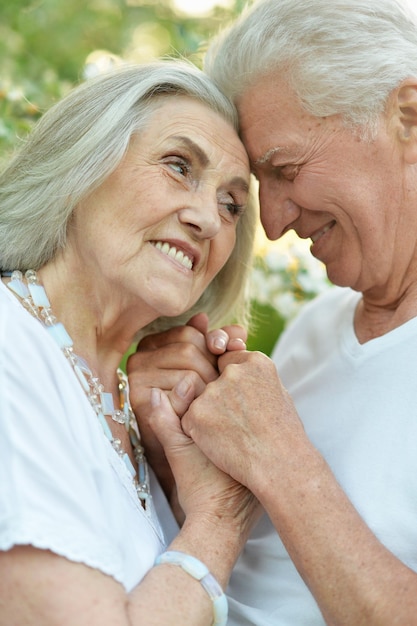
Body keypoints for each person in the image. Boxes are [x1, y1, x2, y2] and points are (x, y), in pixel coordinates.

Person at [127, 1, 417, 624]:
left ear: (409, 117)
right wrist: (169, 455)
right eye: (261, 187)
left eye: (286, 170)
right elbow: (256, 570)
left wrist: (278, 456)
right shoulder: (318, 328)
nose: (278, 222)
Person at [0, 59, 261, 625]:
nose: (209, 220)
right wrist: (220, 517)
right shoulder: (9, 346)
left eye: (231, 204)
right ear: (82, 161)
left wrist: (174, 479)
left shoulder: (136, 412)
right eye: (178, 165)